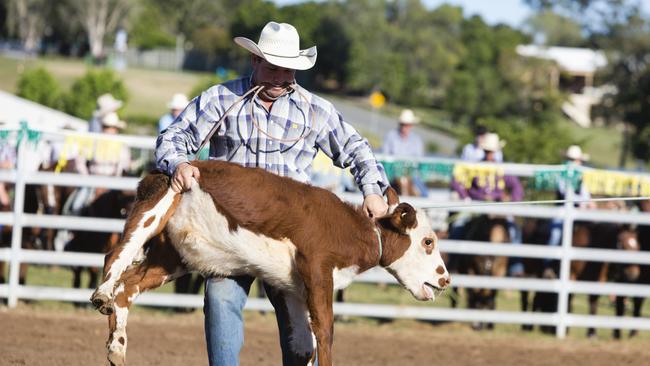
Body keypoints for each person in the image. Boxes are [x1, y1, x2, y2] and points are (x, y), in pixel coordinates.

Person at [155, 21, 389, 365]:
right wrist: (178, 163)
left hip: (291, 235)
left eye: (287, 69)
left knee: (299, 310)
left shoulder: (314, 110)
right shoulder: (222, 99)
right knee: (221, 298)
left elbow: (355, 148)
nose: (280, 76)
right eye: (272, 67)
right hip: (230, 229)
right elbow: (172, 137)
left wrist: (372, 190)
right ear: (254, 62)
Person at [382, 109, 428, 196]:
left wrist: (409, 168)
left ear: (411, 125)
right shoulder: (391, 136)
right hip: (393, 171)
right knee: (382, 189)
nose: (405, 127)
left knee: (424, 193)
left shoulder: (416, 139)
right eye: (403, 124)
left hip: (411, 172)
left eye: (407, 125)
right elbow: (385, 156)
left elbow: (419, 159)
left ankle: (426, 206)